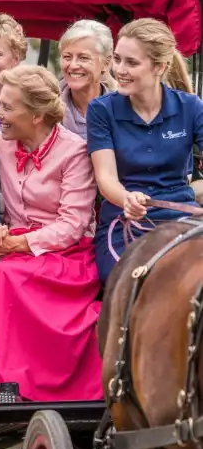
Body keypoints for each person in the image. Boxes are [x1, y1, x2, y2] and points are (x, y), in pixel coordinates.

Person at [0, 64, 102, 404]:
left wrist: (19, 243)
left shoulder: (75, 152)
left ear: (36, 116)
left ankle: (17, 386)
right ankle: (7, 383)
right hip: (17, 248)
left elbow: (72, 225)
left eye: (7, 107)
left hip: (67, 253)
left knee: (4, 274)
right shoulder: (1, 142)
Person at [87, 18, 203, 284]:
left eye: (132, 62)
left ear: (159, 67)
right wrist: (126, 198)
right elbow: (106, 178)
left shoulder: (191, 107)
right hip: (123, 219)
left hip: (182, 216)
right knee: (133, 281)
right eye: (117, 59)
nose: (120, 70)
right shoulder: (101, 110)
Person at [59, 19, 115, 140]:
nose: (73, 65)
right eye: (67, 57)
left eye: (83, 58)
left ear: (106, 63)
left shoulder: (123, 110)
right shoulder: (44, 108)